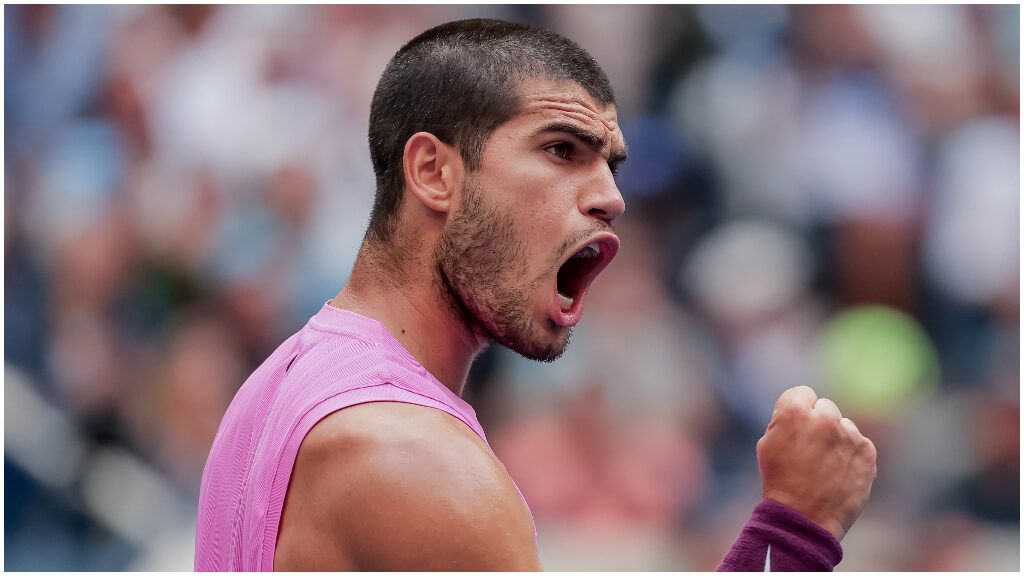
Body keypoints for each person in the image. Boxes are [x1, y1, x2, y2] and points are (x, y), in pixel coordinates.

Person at [194, 18, 876, 571]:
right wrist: (794, 530)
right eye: (560, 150)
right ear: (434, 172)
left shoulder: (280, 380)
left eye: (609, 165)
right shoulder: (414, 458)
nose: (610, 198)